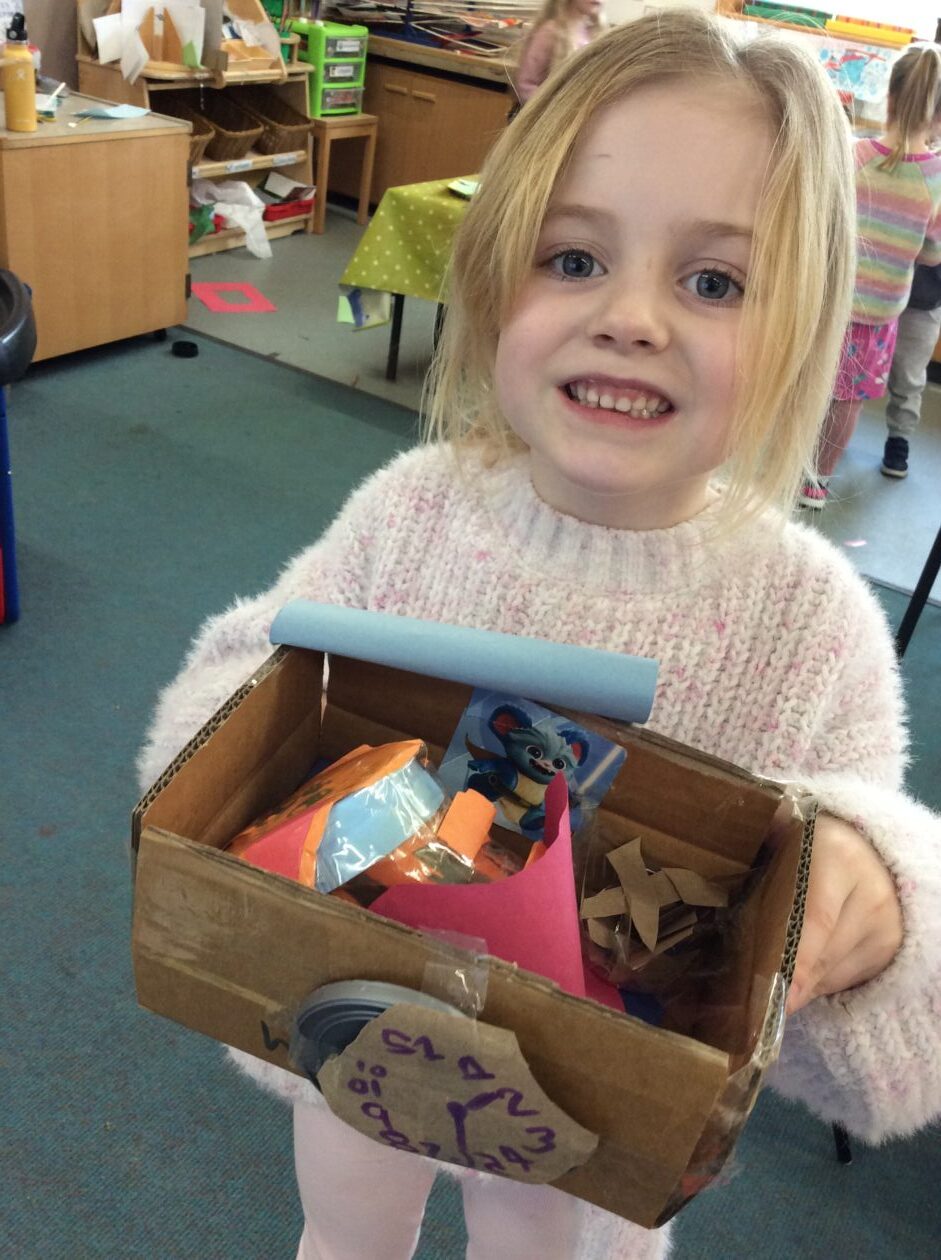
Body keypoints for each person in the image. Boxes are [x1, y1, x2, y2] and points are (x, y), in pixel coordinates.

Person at [139, 13, 941, 1260]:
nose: (630, 317)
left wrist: (878, 903)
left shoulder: (804, 620)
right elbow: (243, 670)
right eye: (572, 259)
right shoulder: (413, 510)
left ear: (802, 334)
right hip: (367, 1002)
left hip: (597, 1096)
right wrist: (241, 745)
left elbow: (881, 905)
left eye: (714, 282)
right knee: (345, 1222)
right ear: (489, 278)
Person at [802, 45, 941, 507]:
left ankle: (792, 464)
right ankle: (817, 483)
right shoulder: (936, 178)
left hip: (830, 300)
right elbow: (931, 255)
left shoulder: (854, 155)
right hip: (880, 313)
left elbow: (825, 221)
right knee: (849, 398)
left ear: (890, 97)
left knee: (814, 384)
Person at [881, 262, 941, 477]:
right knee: (853, 369)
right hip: (877, 289)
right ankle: (836, 430)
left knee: (910, 375)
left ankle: (899, 438)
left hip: (924, 300)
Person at [512, 0, 606, 107]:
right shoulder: (550, 32)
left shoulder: (593, 35)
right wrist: (559, 108)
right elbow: (525, 86)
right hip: (550, 113)